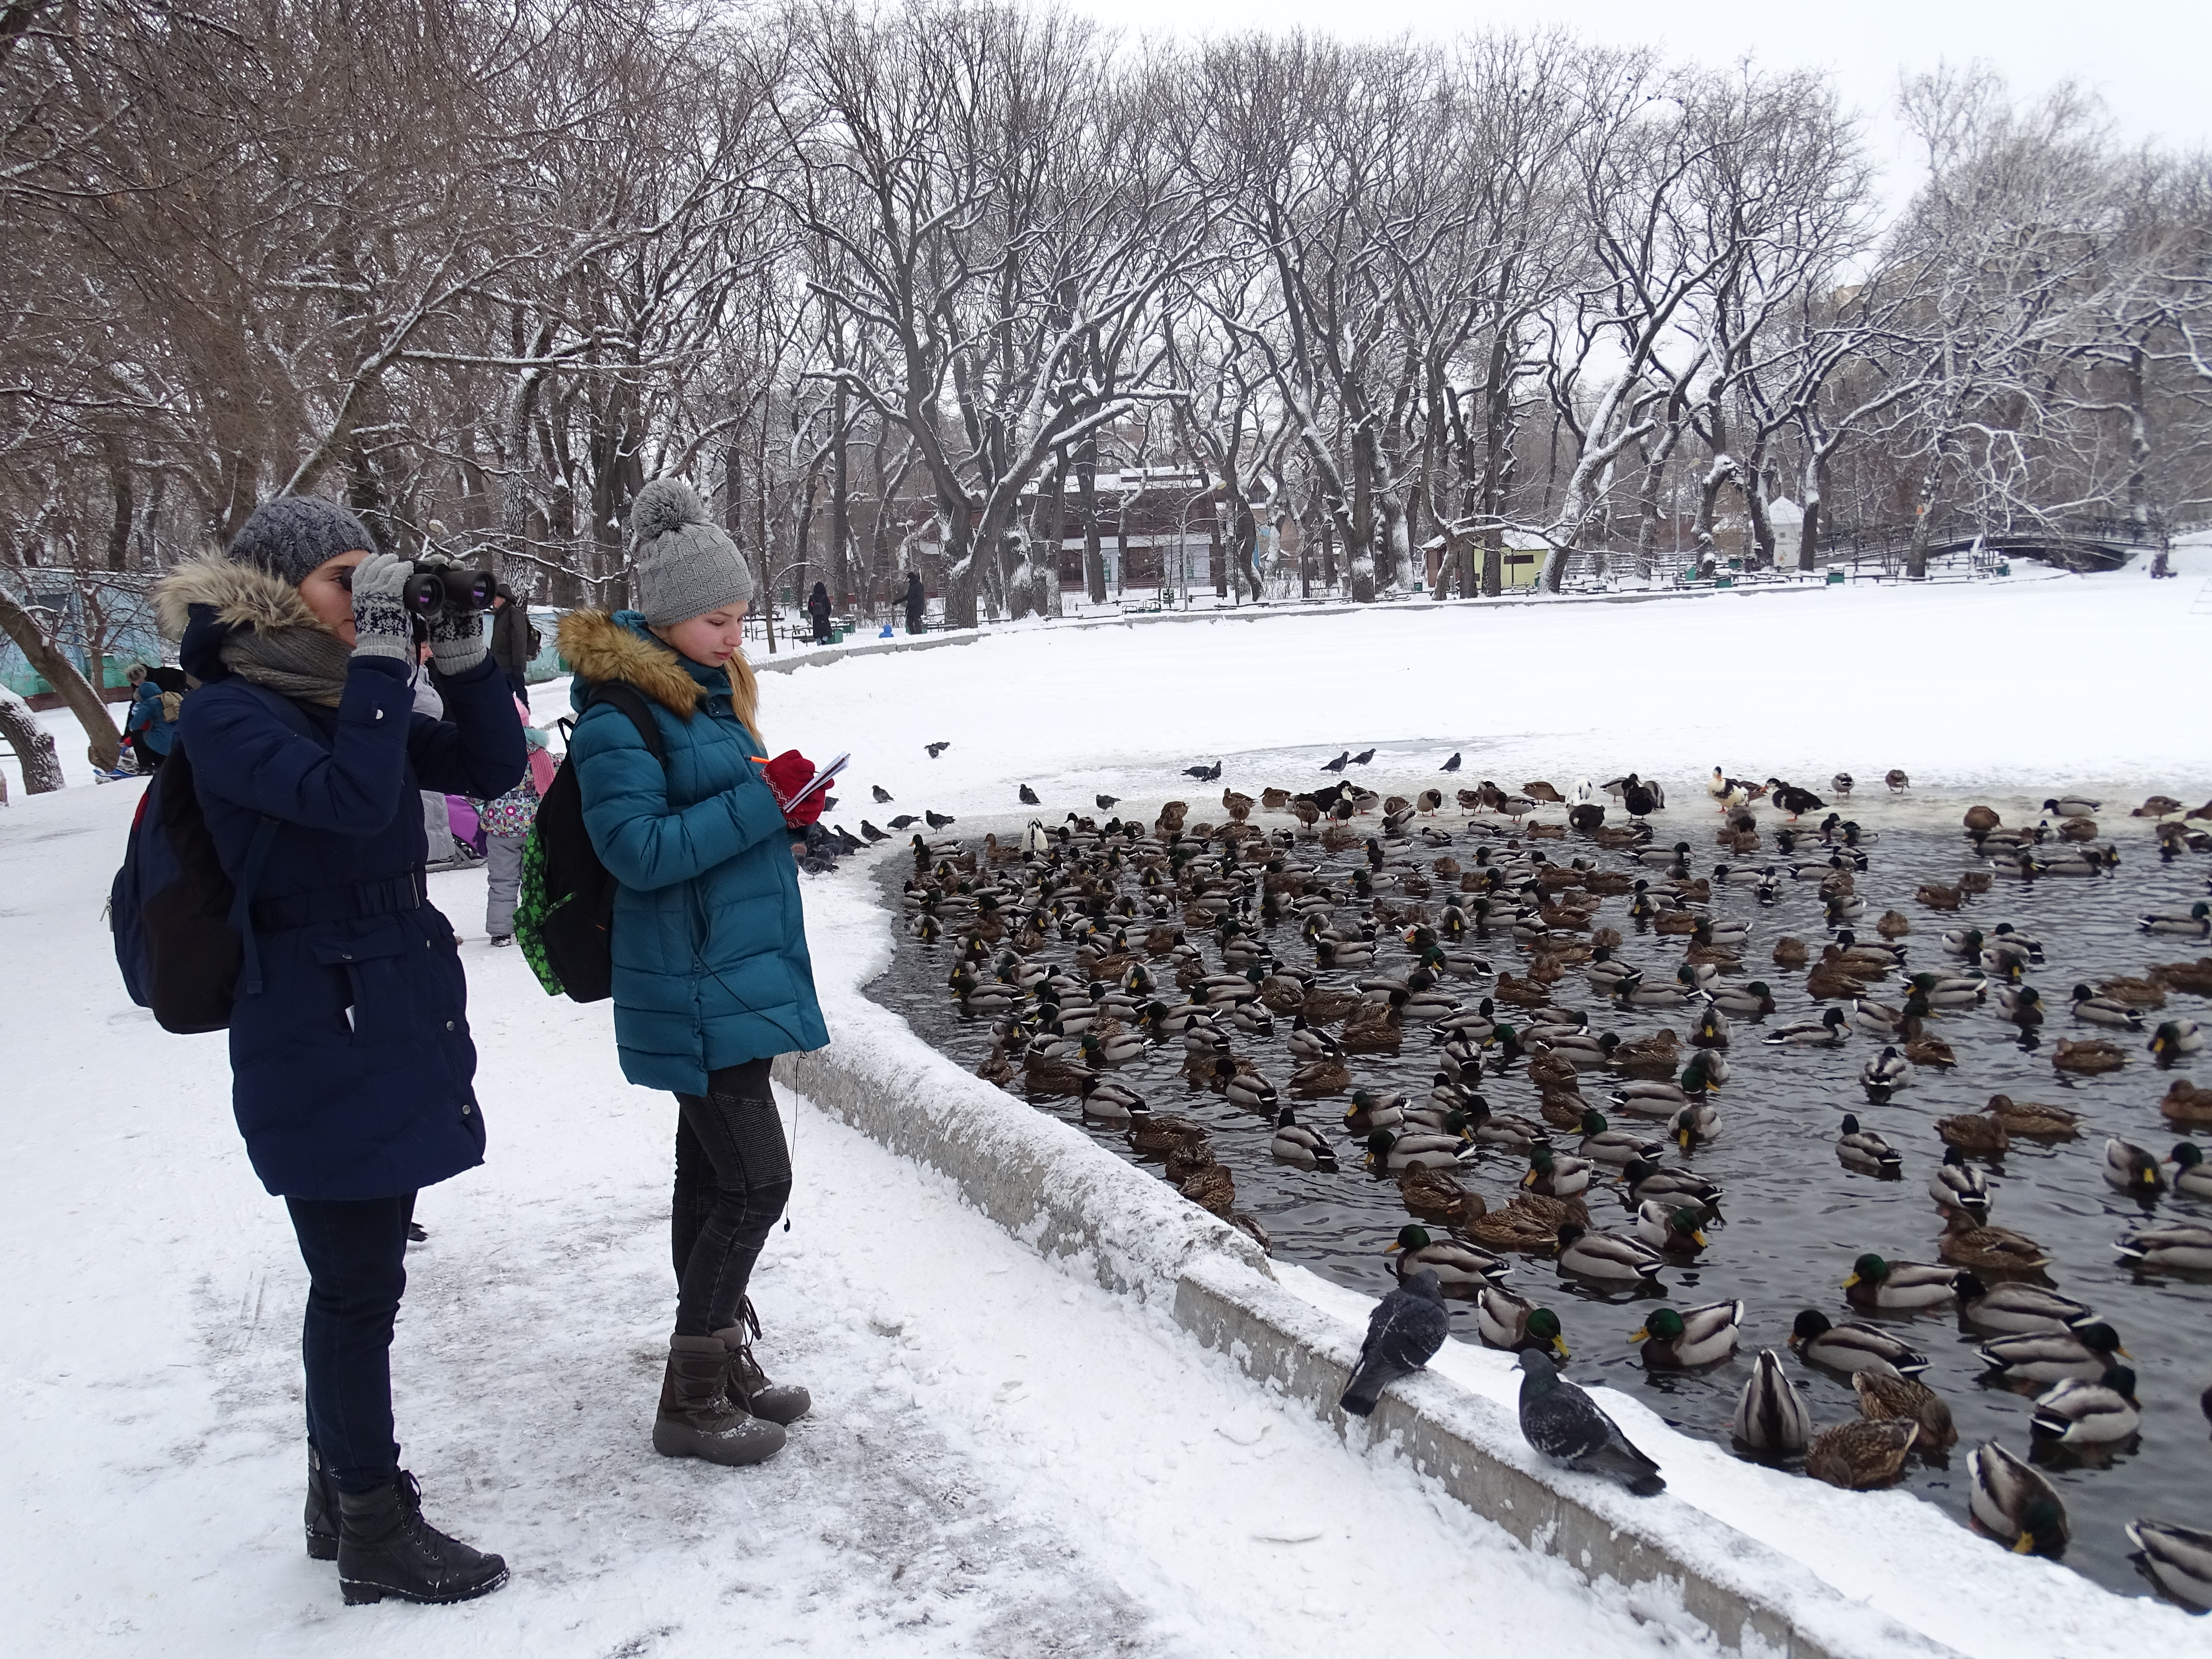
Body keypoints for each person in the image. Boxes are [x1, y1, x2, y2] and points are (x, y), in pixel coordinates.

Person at [153, 496, 524, 1607]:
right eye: (344, 581)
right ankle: (372, 1519)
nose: (366, 603)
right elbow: (346, 795)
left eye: (374, 583)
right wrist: (378, 657)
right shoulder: (229, 713)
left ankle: (337, 1493)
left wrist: (460, 661)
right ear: (281, 592)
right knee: (357, 1286)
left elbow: (489, 770)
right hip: (313, 1023)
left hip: (385, 1009)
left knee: (362, 1279)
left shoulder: (335, 696)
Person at [558, 475, 828, 1468]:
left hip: (732, 976)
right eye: (719, 618)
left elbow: (721, 824)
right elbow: (637, 850)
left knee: (707, 1178)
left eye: (742, 616)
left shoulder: (705, 702)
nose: (735, 635)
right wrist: (761, 806)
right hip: (693, 985)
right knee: (757, 1184)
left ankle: (726, 1360)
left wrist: (785, 806)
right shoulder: (616, 721)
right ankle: (692, 1396)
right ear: (667, 617)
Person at [475, 694, 555, 945]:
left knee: (502, 880)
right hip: (533, 831)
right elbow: (556, 780)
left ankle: (501, 931)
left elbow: (475, 794)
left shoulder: (490, 758)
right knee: (534, 880)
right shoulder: (540, 756)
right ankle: (534, 926)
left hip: (500, 832)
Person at [488, 583, 535, 699]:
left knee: (519, 695)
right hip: (502, 666)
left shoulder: (514, 613)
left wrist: (518, 665)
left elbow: (520, 640)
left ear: (503, 598)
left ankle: (523, 715)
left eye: (496, 597)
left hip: (512, 667)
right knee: (505, 697)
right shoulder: (500, 615)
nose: (493, 601)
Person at [806, 580, 833, 645]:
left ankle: (819, 644)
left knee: (817, 632)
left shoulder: (812, 597)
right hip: (824, 617)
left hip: (816, 618)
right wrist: (827, 614)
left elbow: (810, 608)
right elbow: (829, 608)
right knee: (827, 631)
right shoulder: (825, 597)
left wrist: (814, 614)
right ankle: (824, 642)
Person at [903, 570, 926, 635]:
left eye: (908, 579)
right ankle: (914, 635)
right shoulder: (911, 586)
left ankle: (918, 635)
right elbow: (909, 596)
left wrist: (912, 603)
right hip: (912, 607)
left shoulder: (919, 585)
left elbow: (920, 597)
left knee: (917, 622)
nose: (907, 581)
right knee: (909, 622)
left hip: (918, 607)